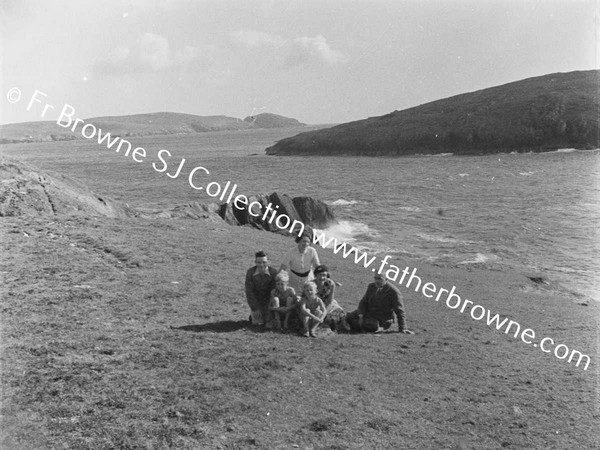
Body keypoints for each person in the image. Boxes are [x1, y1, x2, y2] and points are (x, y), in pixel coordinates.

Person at [346, 274, 414, 334]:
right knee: (348, 318)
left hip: (382, 320)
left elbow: (399, 311)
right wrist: (360, 315)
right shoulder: (371, 286)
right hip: (368, 313)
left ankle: (358, 326)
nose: (376, 281)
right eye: (375, 278)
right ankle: (352, 323)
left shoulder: (393, 292)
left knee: (371, 325)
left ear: (386, 279)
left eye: (379, 279)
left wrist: (403, 328)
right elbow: (363, 302)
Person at [245, 250, 278, 326]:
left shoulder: (273, 272)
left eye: (264, 262)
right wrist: (255, 308)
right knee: (257, 323)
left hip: (268, 301)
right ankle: (254, 315)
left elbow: (273, 291)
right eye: (259, 262)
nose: (262, 264)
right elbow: (249, 292)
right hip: (257, 301)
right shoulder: (250, 272)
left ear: (267, 262)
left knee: (268, 321)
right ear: (255, 262)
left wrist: (269, 307)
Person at [313, 265, 349, 332]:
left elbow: (330, 301)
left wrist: (325, 311)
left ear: (327, 276)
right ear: (316, 275)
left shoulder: (331, 284)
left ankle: (340, 326)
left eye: (324, 275)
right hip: (316, 305)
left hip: (328, 304)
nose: (322, 277)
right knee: (320, 314)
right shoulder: (312, 284)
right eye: (319, 275)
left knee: (340, 312)